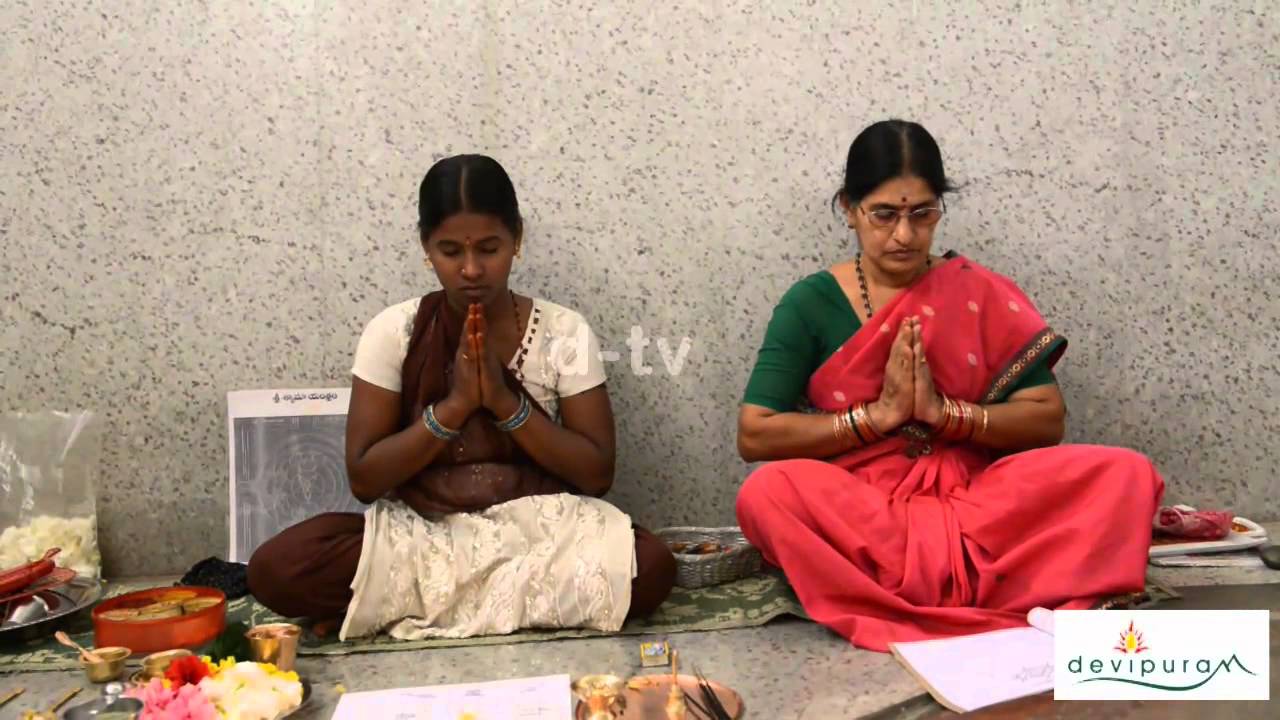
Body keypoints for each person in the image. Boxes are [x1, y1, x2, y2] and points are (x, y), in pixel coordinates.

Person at [735, 120, 1165, 652]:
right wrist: (877, 418)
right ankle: (1001, 591)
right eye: (884, 215)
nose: (904, 235)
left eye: (923, 214)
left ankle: (906, 593)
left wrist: (946, 414)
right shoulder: (810, 303)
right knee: (766, 495)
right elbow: (756, 433)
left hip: (978, 504)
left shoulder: (975, 290)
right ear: (849, 209)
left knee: (1124, 473)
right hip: (868, 513)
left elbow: (1046, 418)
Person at [248, 154, 675, 641]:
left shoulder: (563, 331)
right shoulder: (395, 331)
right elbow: (365, 477)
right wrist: (452, 409)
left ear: (518, 238)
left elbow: (596, 473)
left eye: (489, 248)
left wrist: (502, 403)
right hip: (426, 539)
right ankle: (494, 604)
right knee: (275, 567)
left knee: (653, 566)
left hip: (539, 538)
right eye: (450, 251)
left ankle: (402, 609)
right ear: (425, 246)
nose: (471, 269)